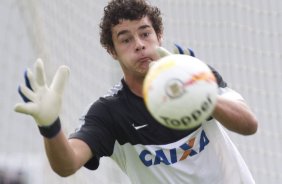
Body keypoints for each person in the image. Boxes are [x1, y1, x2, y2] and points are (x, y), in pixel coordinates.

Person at [14, 0, 258, 183]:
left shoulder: (194, 76)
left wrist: (203, 95)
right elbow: (66, 165)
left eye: (145, 33)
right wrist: (50, 126)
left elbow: (249, 125)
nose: (139, 44)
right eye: (126, 39)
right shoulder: (109, 112)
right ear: (112, 51)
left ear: (158, 36)